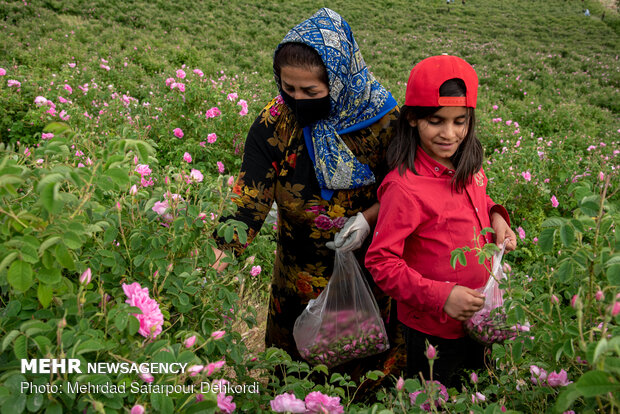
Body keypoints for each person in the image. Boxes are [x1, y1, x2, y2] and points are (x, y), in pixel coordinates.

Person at [211, 8, 407, 385]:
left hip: (365, 267)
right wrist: (219, 256)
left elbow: (405, 189)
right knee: (295, 372)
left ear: (339, 81)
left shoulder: (383, 122)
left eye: (311, 92)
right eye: (288, 88)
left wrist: (367, 219)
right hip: (297, 269)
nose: (298, 100)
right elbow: (249, 198)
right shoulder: (276, 121)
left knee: (358, 365)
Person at [365, 55, 517, 389]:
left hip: (481, 318)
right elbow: (380, 261)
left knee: (480, 391)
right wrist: (441, 296)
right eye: (436, 121)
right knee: (434, 397)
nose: (449, 134)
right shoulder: (405, 187)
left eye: (459, 121)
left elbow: (480, 202)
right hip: (431, 329)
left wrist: (496, 216)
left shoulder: (469, 167)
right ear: (413, 119)